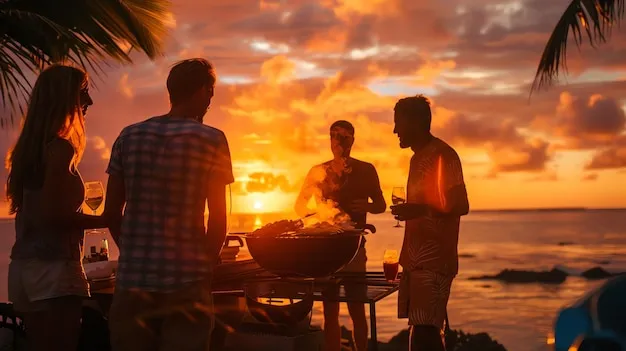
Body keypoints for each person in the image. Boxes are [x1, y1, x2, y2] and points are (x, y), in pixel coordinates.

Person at [103, 58, 234, 351]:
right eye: (210, 91)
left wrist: (133, 252)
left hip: (133, 280)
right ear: (202, 90)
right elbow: (218, 218)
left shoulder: (129, 135)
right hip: (186, 281)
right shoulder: (212, 139)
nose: (211, 98)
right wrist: (208, 262)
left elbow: (111, 212)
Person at [6, 64, 105, 351]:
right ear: (64, 99)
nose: (89, 102)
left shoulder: (28, 150)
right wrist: (110, 218)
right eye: (82, 93)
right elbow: (53, 216)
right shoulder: (61, 149)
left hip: (23, 269)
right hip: (54, 268)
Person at [295, 120, 386, 351]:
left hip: (354, 246)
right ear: (329, 140)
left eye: (344, 137)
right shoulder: (319, 171)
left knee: (357, 307)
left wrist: (366, 207)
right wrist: (316, 217)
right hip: (326, 250)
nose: (339, 142)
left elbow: (381, 205)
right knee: (330, 309)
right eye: (334, 136)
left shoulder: (366, 170)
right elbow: (300, 205)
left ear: (353, 140)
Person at [390, 95, 469, 351]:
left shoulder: (444, 155)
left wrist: (419, 209)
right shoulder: (417, 157)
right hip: (416, 260)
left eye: (398, 123)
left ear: (417, 122)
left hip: (434, 261)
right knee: (422, 330)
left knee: (425, 333)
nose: (395, 131)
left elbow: (461, 204)